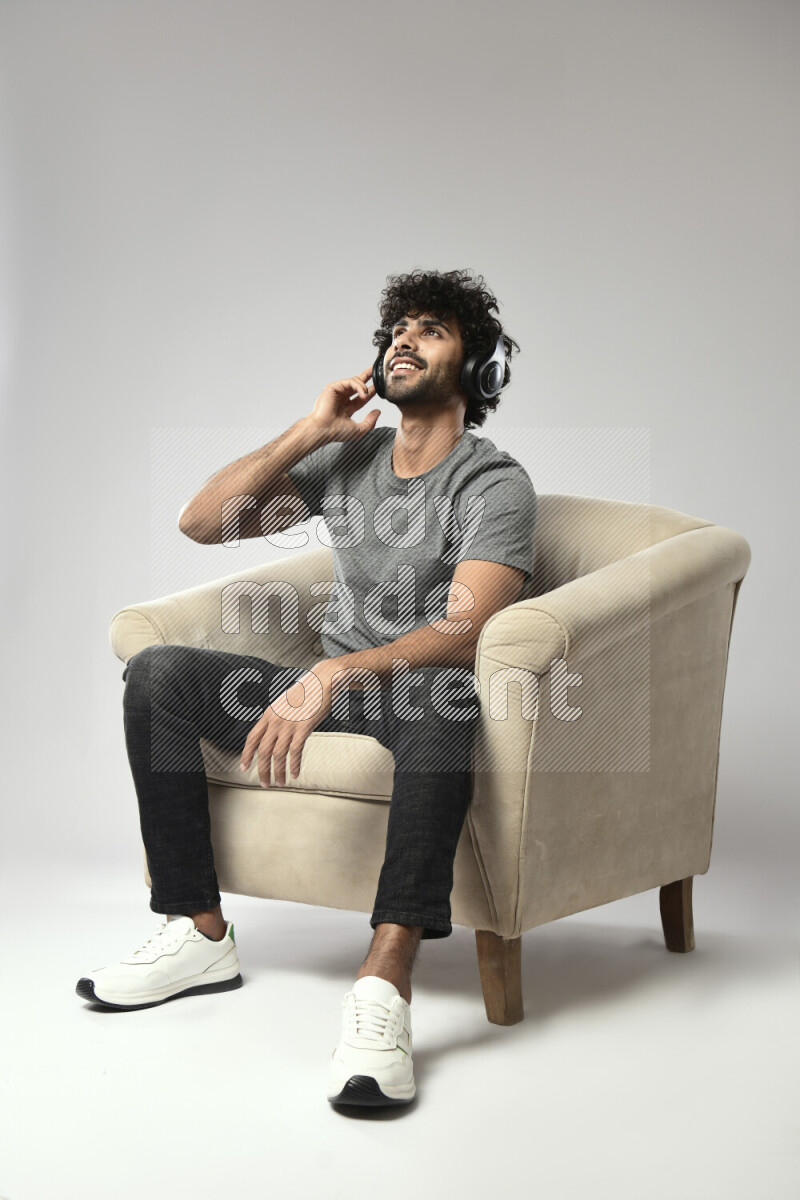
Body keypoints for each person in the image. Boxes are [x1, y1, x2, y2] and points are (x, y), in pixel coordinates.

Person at [76, 268, 538, 1108]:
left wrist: (332, 673)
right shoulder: (349, 458)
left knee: (451, 700)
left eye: (430, 328)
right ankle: (197, 931)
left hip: (409, 694)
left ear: (480, 371)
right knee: (158, 674)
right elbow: (202, 522)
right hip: (321, 685)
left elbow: (467, 627)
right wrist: (306, 432)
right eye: (396, 326)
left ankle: (383, 985)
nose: (403, 337)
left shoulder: (493, 484)